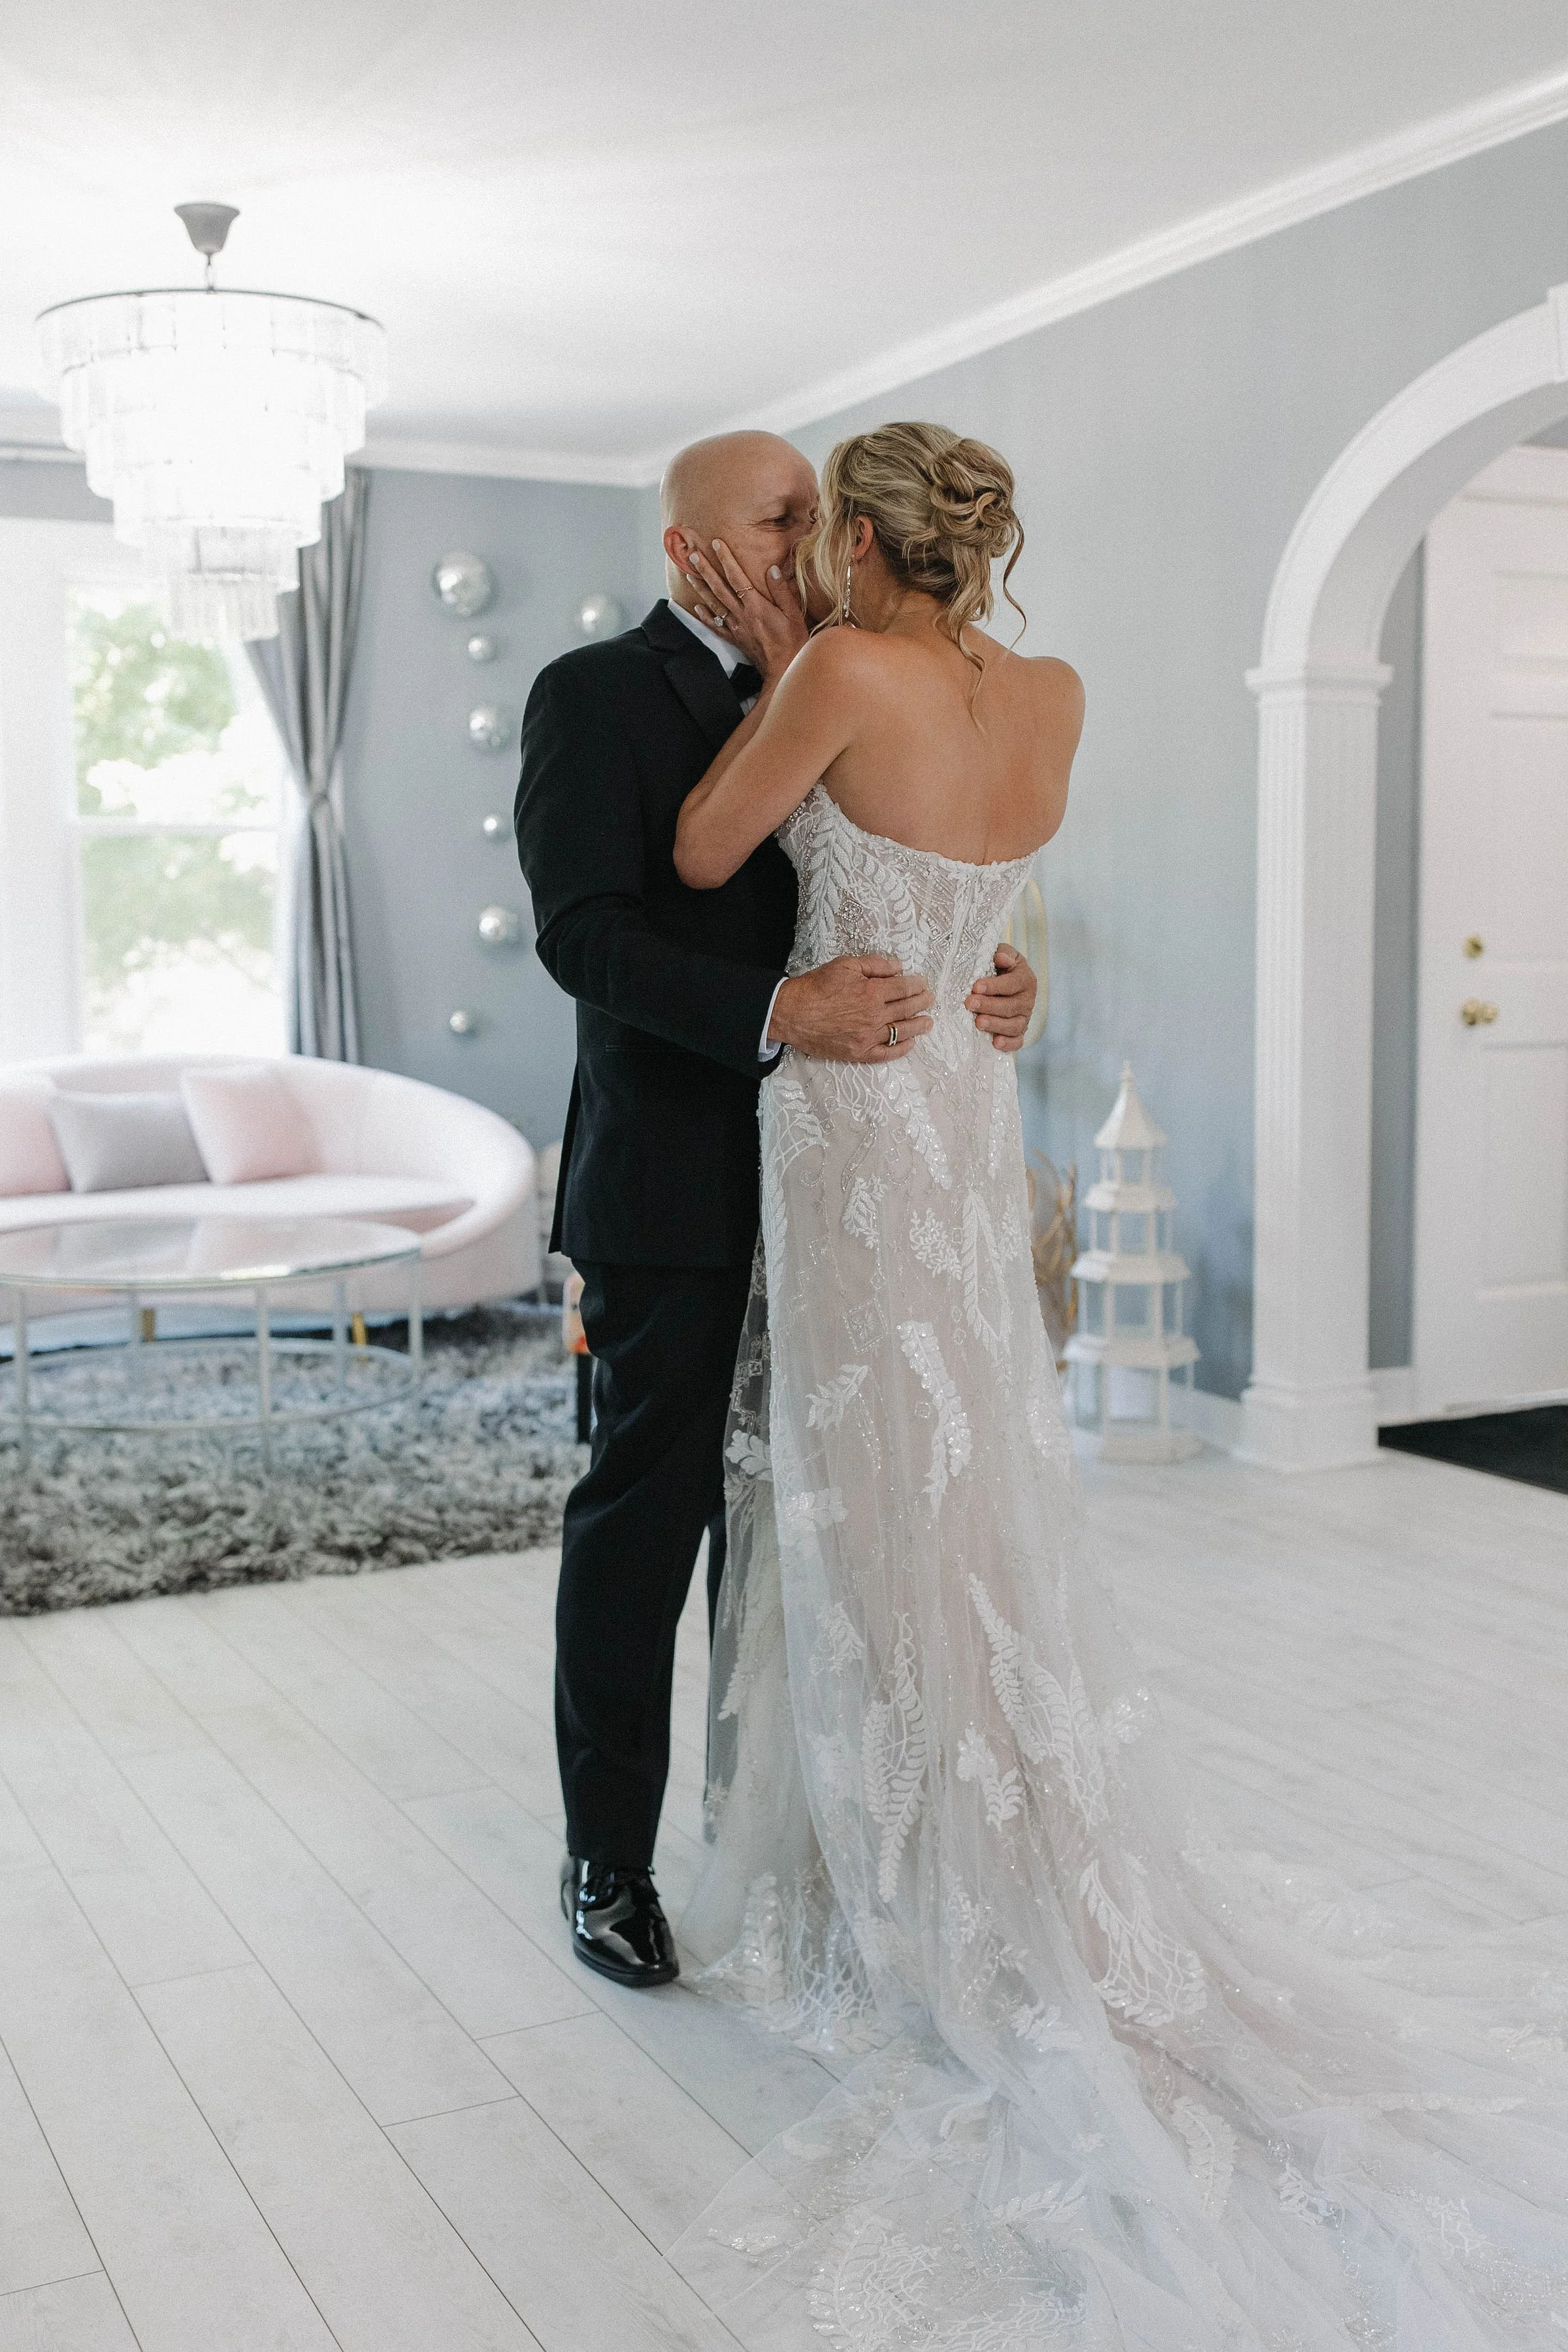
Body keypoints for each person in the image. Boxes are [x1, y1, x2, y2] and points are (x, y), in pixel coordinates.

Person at [670, 421, 1568, 2349]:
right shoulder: (1052, 690)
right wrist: (1005, 979)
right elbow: (997, 910)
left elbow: (705, 848)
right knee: (970, 1468)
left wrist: (765, 662)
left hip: (850, 1119)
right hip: (970, 1110)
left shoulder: (833, 667)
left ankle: (918, 1858)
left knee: (868, 1482)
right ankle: (990, 1820)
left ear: (859, 543)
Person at [513, 430, 1039, 1989]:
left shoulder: (868, 667)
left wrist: (990, 973)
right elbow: (583, 936)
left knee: (824, 1525)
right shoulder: (592, 697)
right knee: (648, 1520)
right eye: (784, 516)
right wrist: (774, 1009)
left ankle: (800, 1837)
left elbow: (938, 862)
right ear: (691, 552)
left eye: (825, 513)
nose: (819, 535)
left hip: (866, 1175)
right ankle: (606, 1856)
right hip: (675, 1182)